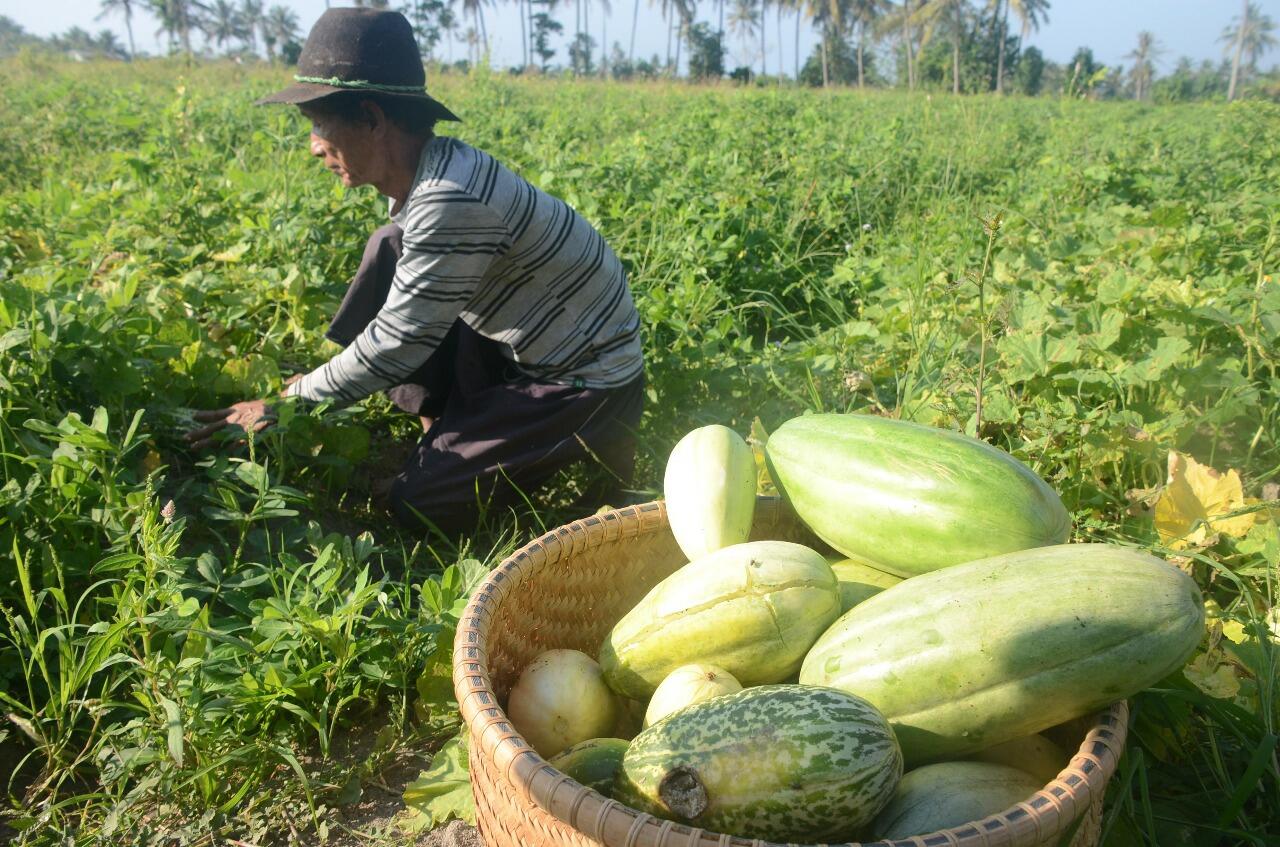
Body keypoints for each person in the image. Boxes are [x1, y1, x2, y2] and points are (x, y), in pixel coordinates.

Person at [186, 8, 645, 535]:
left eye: (317, 123)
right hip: (526, 339)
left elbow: (399, 341)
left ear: (372, 118)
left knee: (419, 505)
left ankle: (484, 450)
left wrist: (289, 403)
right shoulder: (432, 176)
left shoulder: (449, 199)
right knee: (390, 245)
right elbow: (406, 320)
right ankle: (443, 428)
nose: (313, 145)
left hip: (583, 380)